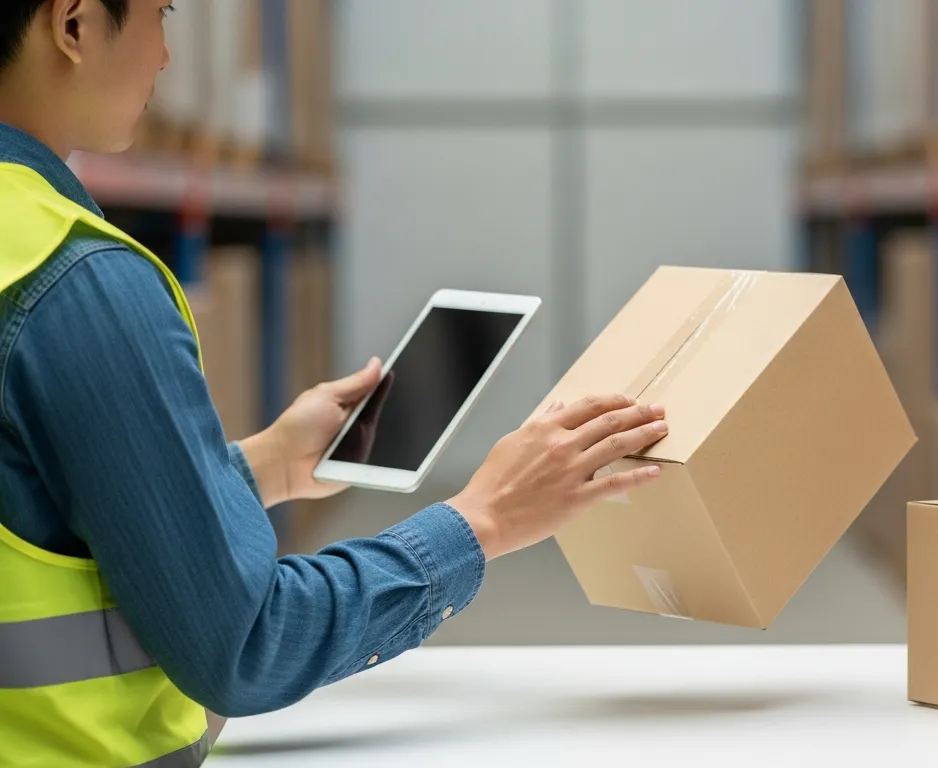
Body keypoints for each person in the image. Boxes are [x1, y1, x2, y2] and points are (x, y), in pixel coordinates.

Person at [0, 1, 667, 764]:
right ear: (75, 24)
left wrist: (266, 466)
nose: (166, 57)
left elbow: (35, 496)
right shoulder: (79, 283)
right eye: (161, 13)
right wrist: (482, 520)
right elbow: (248, 647)